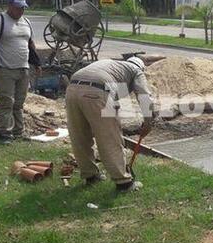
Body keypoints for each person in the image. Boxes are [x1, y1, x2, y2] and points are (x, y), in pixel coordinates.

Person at [65, 56, 154, 192]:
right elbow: (144, 96)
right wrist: (148, 122)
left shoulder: (115, 66)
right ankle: (123, 182)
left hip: (72, 89)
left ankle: (90, 175)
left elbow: (116, 97)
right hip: (97, 90)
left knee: (80, 135)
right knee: (110, 137)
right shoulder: (136, 70)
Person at [0, 0, 41, 144]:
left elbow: (30, 44)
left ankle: (18, 131)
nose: (21, 11)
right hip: (6, 69)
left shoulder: (26, 22)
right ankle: (4, 133)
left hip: (23, 69)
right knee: (6, 102)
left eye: (23, 8)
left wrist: (37, 63)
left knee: (19, 103)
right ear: (9, 6)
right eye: (18, 7)